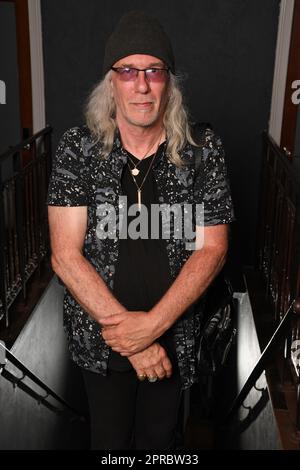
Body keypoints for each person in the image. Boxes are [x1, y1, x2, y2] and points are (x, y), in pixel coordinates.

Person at [47, 10, 234, 450]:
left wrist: (152, 327)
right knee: (108, 443)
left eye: (154, 71)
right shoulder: (79, 148)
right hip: (101, 341)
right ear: (110, 82)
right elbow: (65, 256)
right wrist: (135, 343)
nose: (142, 85)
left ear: (169, 82)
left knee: (161, 445)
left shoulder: (202, 148)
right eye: (128, 71)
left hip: (175, 339)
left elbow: (213, 249)